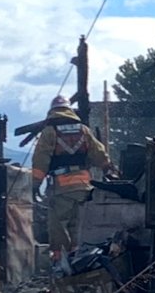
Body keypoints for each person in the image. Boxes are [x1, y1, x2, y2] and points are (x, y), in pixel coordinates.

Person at [29, 100, 112, 255]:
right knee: (78, 226)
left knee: (58, 224)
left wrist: (34, 184)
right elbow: (99, 153)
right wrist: (108, 170)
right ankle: (78, 257)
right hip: (84, 187)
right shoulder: (84, 130)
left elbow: (41, 160)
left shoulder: (49, 131)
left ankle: (59, 261)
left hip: (62, 188)